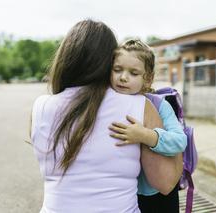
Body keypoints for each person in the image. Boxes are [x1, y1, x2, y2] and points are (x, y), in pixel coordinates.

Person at [30, 19, 183, 213]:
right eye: (118, 68)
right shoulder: (139, 105)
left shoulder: (41, 106)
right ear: (108, 61)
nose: (123, 76)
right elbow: (165, 182)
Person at [108, 39, 187, 213]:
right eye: (117, 70)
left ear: (148, 78)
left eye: (133, 73)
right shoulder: (108, 103)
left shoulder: (159, 105)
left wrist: (145, 135)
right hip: (126, 191)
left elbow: (180, 141)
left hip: (157, 194)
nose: (123, 77)